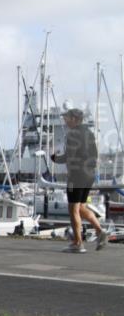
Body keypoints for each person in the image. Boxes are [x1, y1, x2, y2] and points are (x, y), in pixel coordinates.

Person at [51, 107, 106, 252]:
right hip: (89, 174)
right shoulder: (89, 133)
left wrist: (54, 158)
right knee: (81, 206)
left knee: (73, 208)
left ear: (74, 119)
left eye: (67, 118)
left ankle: (77, 243)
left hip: (76, 175)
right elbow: (94, 154)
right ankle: (100, 232)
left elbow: (68, 157)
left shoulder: (72, 134)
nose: (65, 120)